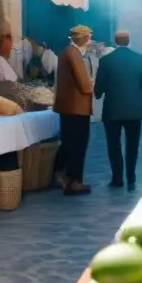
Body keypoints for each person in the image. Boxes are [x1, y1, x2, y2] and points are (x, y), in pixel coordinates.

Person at [94, 30, 142, 191]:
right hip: (135, 109)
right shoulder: (140, 59)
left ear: (115, 42)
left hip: (112, 110)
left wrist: (100, 92)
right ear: (129, 41)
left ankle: (117, 178)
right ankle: (131, 178)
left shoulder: (106, 61)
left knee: (114, 146)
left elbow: (99, 88)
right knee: (133, 145)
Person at [54, 25, 95, 196]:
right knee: (78, 145)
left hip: (67, 107)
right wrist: (91, 85)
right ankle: (73, 181)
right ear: (84, 38)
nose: (90, 40)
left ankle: (60, 175)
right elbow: (85, 85)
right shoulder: (74, 54)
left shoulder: (66, 52)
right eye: (89, 37)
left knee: (68, 143)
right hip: (77, 108)